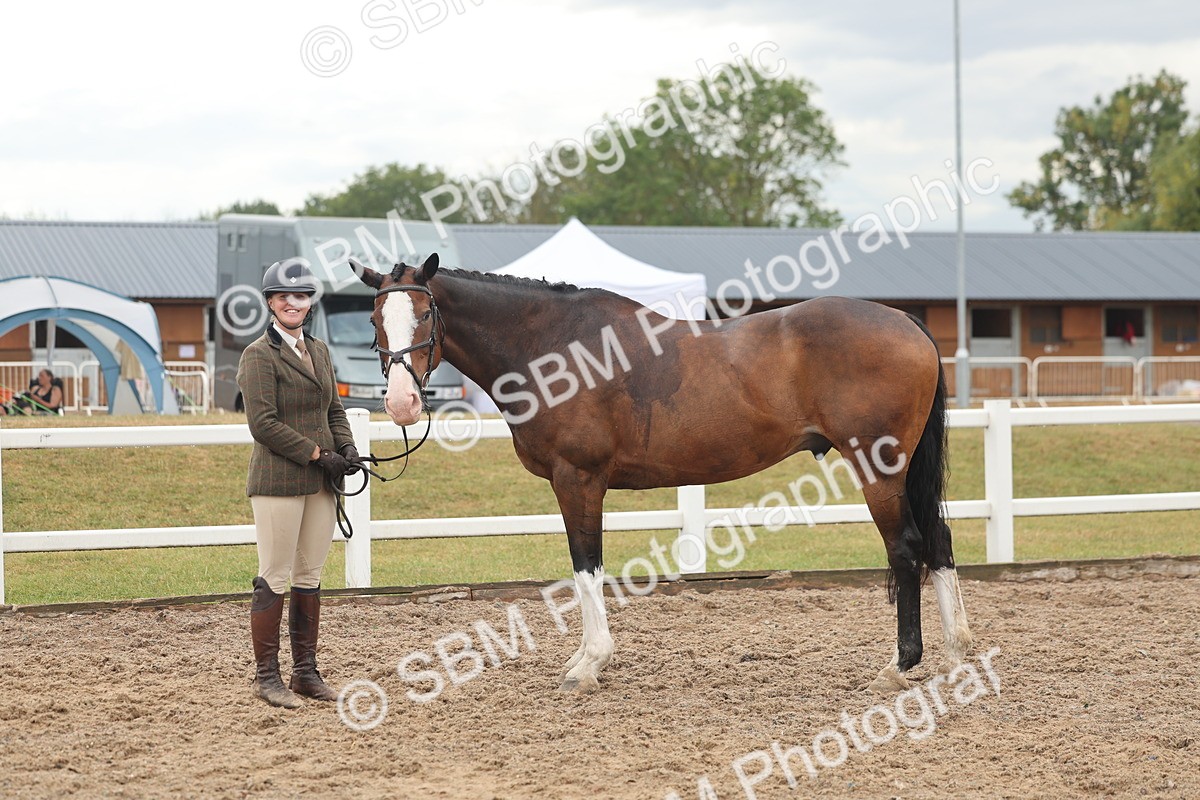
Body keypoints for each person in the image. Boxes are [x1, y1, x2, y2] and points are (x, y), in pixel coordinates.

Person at [236, 258, 363, 708]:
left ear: (310, 302)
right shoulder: (257, 355)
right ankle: (267, 677)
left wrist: (346, 450)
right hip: (279, 481)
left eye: (302, 295)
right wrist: (316, 454)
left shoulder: (321, 350)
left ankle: (305, 674)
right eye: (284, 296)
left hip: (322, 482)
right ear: (271, 302)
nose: (294, 303)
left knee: (309, 576)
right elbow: (263, 423)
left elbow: (333, 410)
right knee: (274, 575)